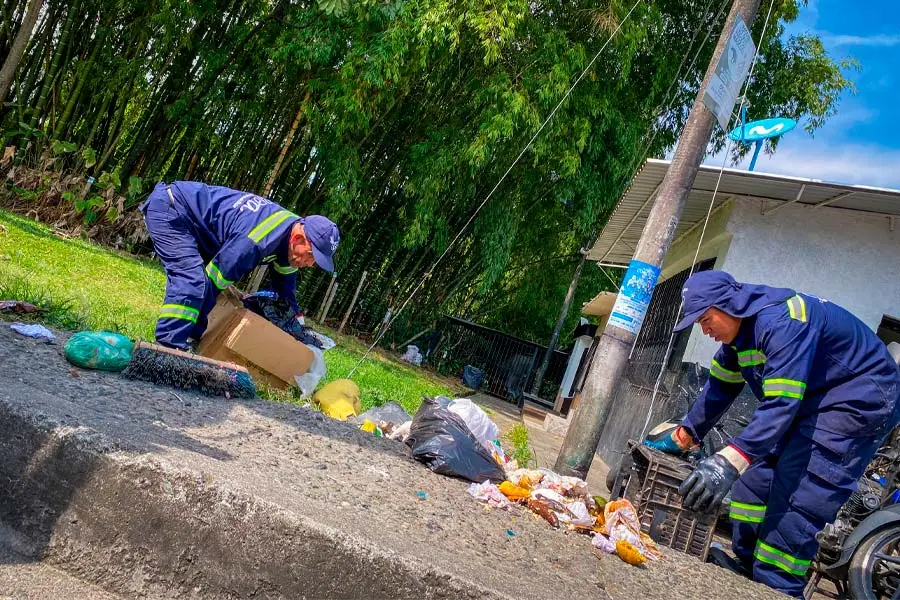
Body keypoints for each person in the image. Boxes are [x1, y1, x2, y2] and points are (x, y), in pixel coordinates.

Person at [645, 270, 900, 598]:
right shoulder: (736, 342)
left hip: (861, 397)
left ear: (730, 305)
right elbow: (718, 389)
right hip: (810, 402)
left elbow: (781, 403)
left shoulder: (782, 322)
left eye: (706, 319)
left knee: (800, 494)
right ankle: (750, 569)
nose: (704, 329)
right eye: (698, 323)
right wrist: (687, 434)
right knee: (753, 485)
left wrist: (727, 462)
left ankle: (779, 587)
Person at [140, 181, 340, 350]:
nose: (310, 264)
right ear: (297, 239)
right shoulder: (256, 240)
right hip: (173, 210)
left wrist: (299, 329)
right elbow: (212, 284)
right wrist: (195, 335)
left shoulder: (289, 240)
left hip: (197, 225)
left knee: (197, 286)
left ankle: (181, 342)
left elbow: (285, 290)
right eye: (311, 256)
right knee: (192, 282)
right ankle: (167, 348)